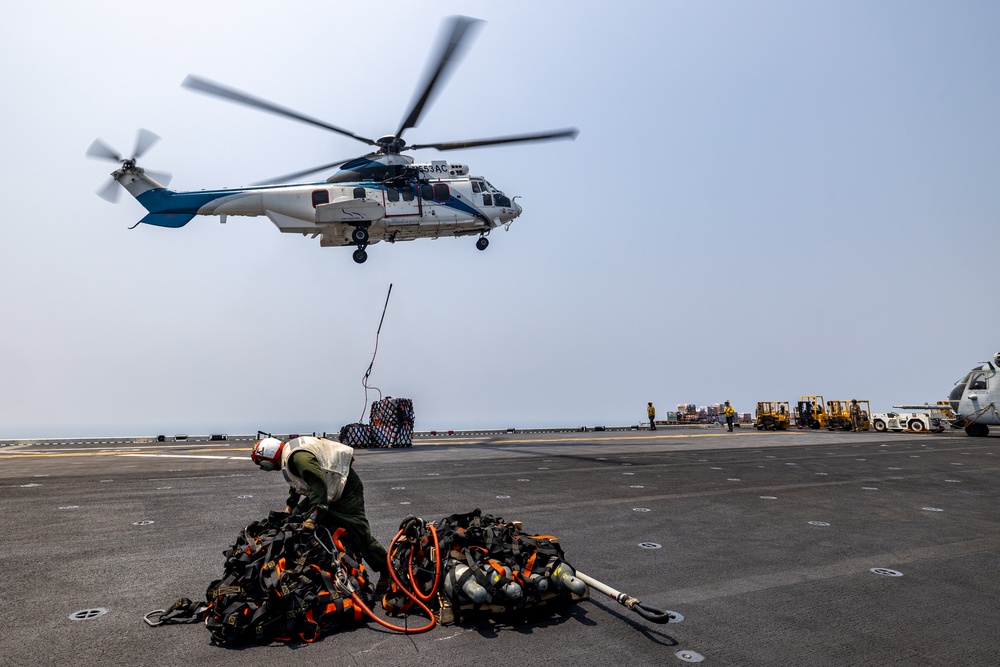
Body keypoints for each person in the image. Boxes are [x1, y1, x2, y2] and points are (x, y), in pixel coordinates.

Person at [251, 435, 390, 595]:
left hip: (344, 489)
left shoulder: (299, 458)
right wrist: (289, 509)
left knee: (358, 531)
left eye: (261, 461)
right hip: (326, 490)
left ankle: (387, 570)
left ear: (269, 455)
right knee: (295, 519)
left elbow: (318, 483)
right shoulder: (289, 456)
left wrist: (314, 516)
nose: (263, 466)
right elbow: (298, 483)